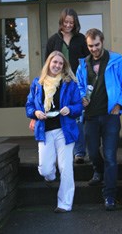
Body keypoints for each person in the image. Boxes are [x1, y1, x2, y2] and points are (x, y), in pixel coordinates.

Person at [76, 28, 122, 211]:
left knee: (110, 157)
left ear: (103, 41)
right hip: (90, 116)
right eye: (90, 46)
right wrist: (82, 97)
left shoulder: (116, 60)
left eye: (96, 45)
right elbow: (80, 86)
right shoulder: (83, 64)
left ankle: (109, 196)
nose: (94, 49)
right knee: (92, 153)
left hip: (110, 116)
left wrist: (119, 105)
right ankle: (98, 171)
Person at [25, 51, 83, 213]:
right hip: (44, 130)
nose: (57, 66)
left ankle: (64, 204)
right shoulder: (38, 84)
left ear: (64, 66)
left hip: (65, 131)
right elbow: (29, 105)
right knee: (45, 169)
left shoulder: (69, 83)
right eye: (54, 62)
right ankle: (50, 178)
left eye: (60, 63)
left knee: (65, 168)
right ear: (48, 63)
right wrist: (35, 113)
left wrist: (69, 109)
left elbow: (78, 106)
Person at [45, 7, 90, 164]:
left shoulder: (81, 39)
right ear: (61, 22)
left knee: (77, 116)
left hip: (78, 83)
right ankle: (61, 152)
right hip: (59, 84)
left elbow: (88, 63)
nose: (69, 25)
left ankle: (79, 152)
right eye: (66, 22)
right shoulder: (53, 40)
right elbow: (47, 63)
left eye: (72, 22)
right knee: (62, 115)